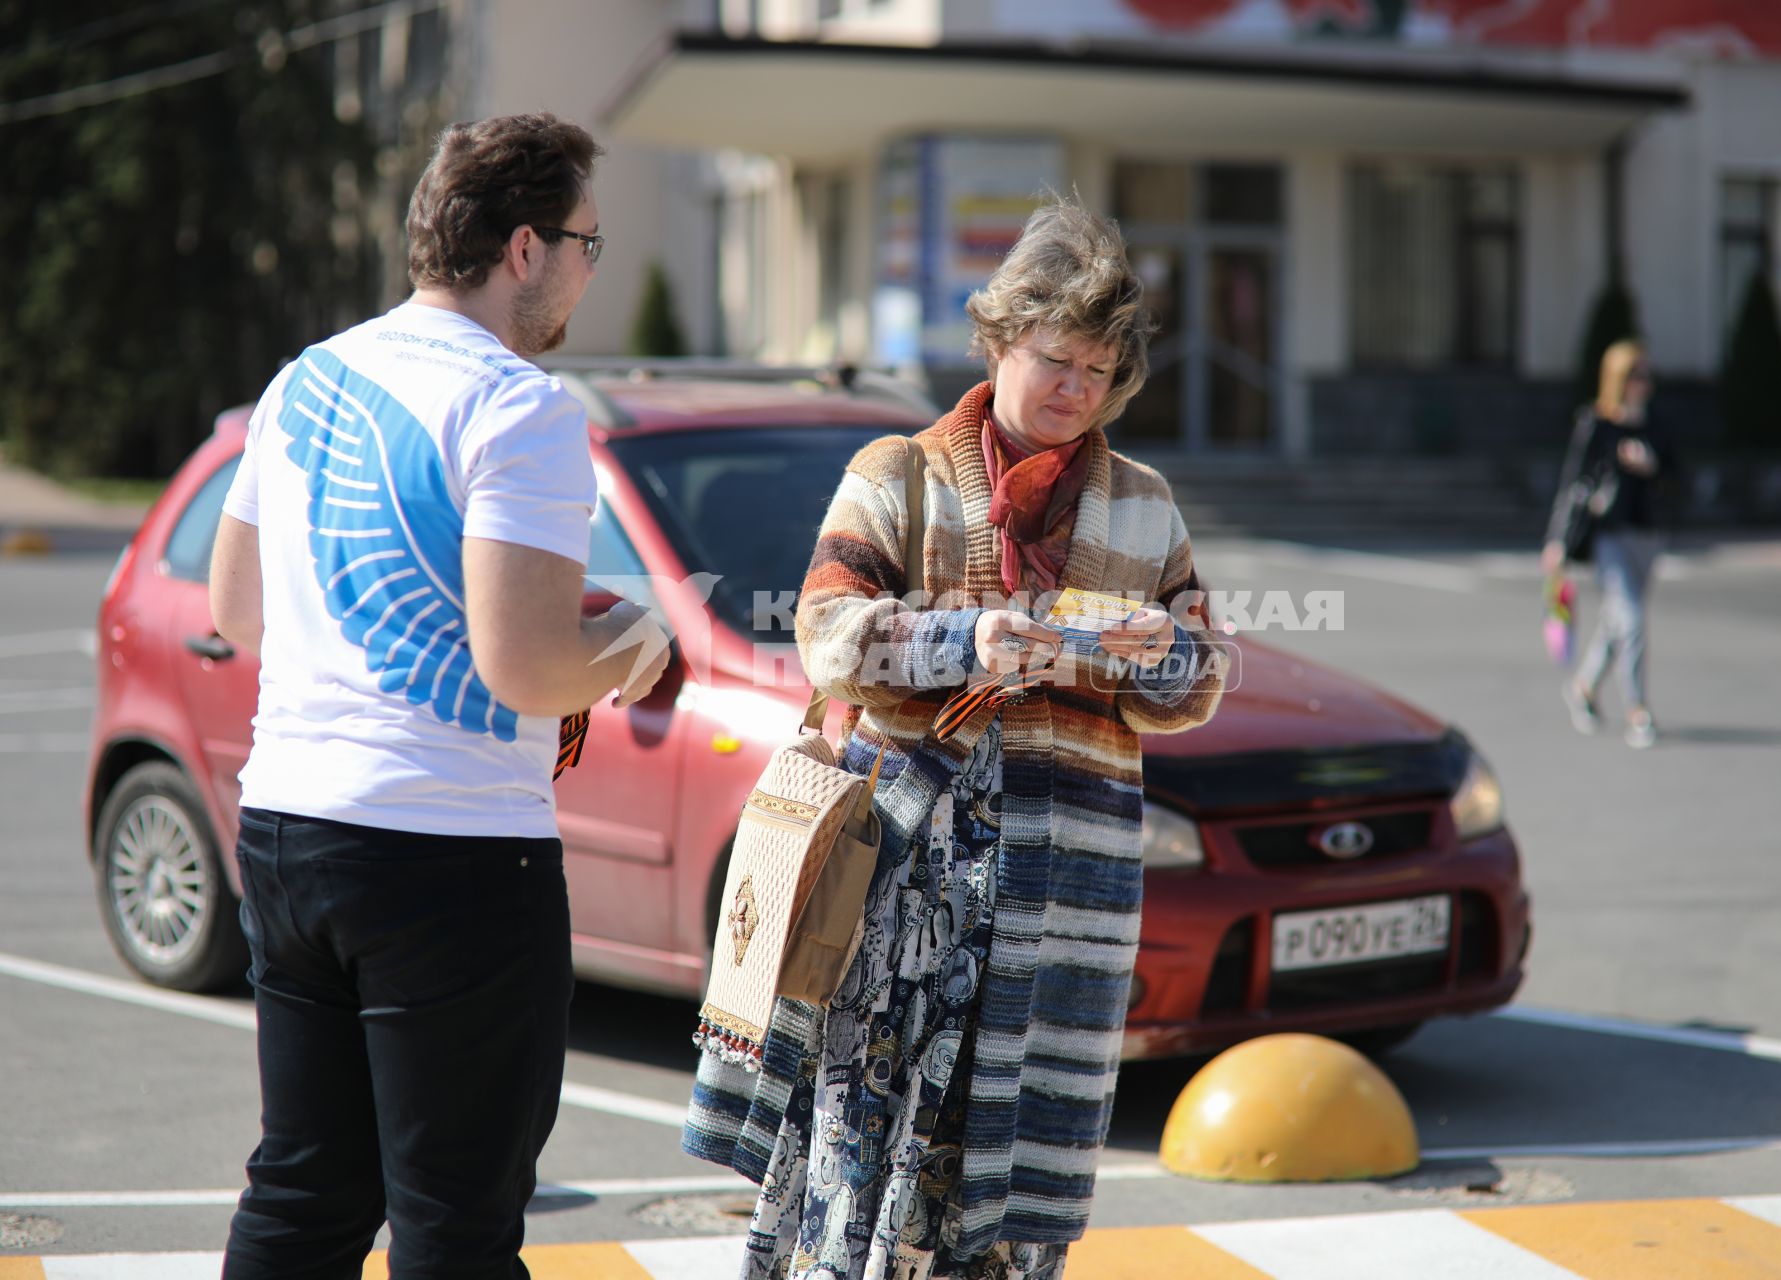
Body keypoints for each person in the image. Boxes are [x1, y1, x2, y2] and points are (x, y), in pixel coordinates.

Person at [682, 201, 1230, 1279]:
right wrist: (961, 638)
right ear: (999, 340)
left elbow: (1205, 677)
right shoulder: (899, 472)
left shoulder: (1147, 507)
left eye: (1100, 368)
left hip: (1065, 894)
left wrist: (1158, 650)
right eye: (1056, 357)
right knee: (865, 1155)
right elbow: (826, 634)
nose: (1075, 387)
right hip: (902, 888)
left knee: (1015, 1186)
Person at [208, 113, 669, 1279]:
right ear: (525, 248)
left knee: (305, 1189)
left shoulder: (303, 379)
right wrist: (640, 648)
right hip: (450, 852)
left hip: (288, 827)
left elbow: (237, 610)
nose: (584, 273)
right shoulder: (523, 406)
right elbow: (524, 669)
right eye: (587, 245)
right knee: (457, 1225)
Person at [1542, 338, 1677, 750]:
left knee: (1615, 623)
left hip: (1648, 535)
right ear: (1617, 378)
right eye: (1635, 374)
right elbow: (1574, 483)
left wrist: (1651, 466)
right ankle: (1638, 709)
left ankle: (1583, 686)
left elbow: (1677, 476)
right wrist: (1557, 540)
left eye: (1646, 374)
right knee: (1631, 618)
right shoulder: (1597, 423)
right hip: (1609, 536)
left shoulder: (1656, 424)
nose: (1643, 382)